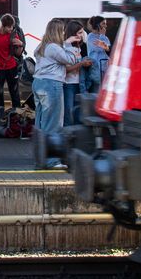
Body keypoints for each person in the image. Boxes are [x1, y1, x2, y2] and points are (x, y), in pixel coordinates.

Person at [32, 19, 92, 170]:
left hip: (38, 83)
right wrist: (68, 43)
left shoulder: (42, 46)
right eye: (63, 31)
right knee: (53, 122)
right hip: (51, 85)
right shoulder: (54, 47)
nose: (65, 33)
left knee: (40, 122)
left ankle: (41, 158)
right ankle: (52, 161)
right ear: (58, 31)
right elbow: (70, 60)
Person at [0, 14, 21, 120]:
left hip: (11, 66)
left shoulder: (13, 35)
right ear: (3, 26)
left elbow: (18, 53)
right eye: (9, 27)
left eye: (12, 27)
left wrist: (20, 44)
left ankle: (17, 115)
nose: (11, 29)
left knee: (14, 92)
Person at [62, 21, 88, 126]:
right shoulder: (66, 48)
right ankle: (68, 133)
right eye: (80, 32)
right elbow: (66, 69)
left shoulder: (79, 47)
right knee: (68, 110)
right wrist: (81, 64)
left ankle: (77, 133)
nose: (82, 35)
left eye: (82, 32)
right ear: (73, 34)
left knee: (78, 109)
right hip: (68, 83)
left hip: (79, 83)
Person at [84, 16, 111, 94]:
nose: (105, 26)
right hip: (96, 68)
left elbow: (108, 48)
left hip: (105, 67)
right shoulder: (90, 37)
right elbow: (99, 48)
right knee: (97, 92)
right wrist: (103, 38)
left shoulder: (104, 37)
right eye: (103, 24)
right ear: (97, 24)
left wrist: (104, 41)